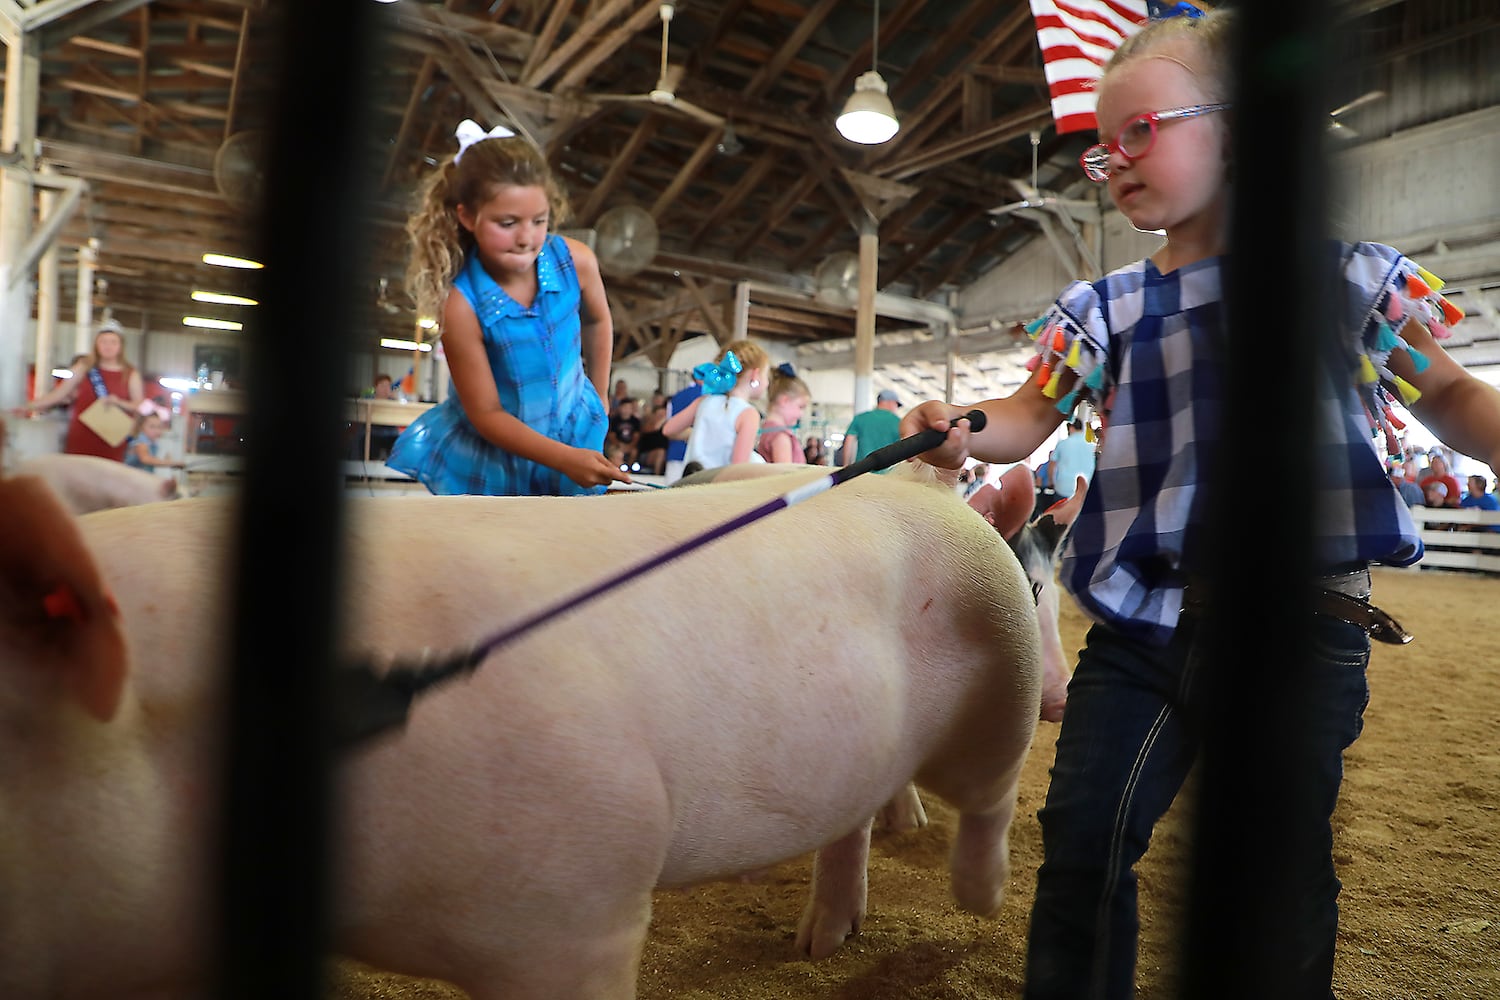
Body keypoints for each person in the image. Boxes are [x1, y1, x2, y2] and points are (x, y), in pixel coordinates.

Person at [898, 8, 1500, 998]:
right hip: (1141, 621)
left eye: (1144, 130)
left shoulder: (1346, 281)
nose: (1117, 158)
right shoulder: (1104, 311)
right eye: (1104, 145)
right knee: (1085, 839)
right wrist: (960, 421)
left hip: (1304, 619)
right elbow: (1021, 416)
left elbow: (1454, 396)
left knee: (1277, 863)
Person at [386, 120, 627, 496]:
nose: (526, 237)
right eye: (508, 223)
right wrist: (563, 458)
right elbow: (487, 414)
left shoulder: (575, 261)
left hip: (572, 434)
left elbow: (598, 320)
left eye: (539, 221)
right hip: (500, 450)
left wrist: (600, 396)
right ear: (467, 217)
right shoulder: (462, 306)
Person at [15, 323, 144, 461]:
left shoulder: (130, 373)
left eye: (113, 342)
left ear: (121, 346)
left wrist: (119, 402)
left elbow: (140, 405)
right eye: (103, 342)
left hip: (111, 436)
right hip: (82, 433)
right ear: (96, 344)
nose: (108, 346)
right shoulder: (83, 367)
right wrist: (28, 407)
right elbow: (59, 394)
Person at [663, 339, 769, 469]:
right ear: (755, 374)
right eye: (766, 376)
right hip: (720, 486)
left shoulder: (703, 401)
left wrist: (699, 434)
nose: (767, 383)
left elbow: (669, 430)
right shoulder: (748, 414)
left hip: (692, 481)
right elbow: (739, 467)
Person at [755, 364, 811, 463]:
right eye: (800, 407)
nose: (801, 414)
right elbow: (786, 476)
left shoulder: (767, 430)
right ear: (784, 401)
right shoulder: (780, 436)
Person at [662, 371, 705, 483]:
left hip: (675, 452)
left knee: (672, 492)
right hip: (699, 456)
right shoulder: (707, 397)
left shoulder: (677, 396)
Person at [842, 388, 902, 467]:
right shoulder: (899, 422)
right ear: (891, 402)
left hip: (862, 469)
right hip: (888, 472)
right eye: (896, 405)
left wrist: (846, 465)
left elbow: (849, 441)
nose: (896, 408)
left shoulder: (860, 418)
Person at [1049, 418, 1095, 498]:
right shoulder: (1091, 446)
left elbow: (1052, 466)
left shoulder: (1062, 444)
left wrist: (1052, 482)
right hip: (1084, 490)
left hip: (1063, 488)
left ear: (1071, 428)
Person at [605, 396, 642, 470]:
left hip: (630, 445)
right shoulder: (614, 420)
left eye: (629, 408)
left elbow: (636, 437)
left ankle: (628, 470)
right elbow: (612, 436)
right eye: (625, 407)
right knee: (615, 452)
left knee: (634, 452)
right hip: (616, 444)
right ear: (620, 408)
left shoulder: (635, 421)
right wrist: (619, 445)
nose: (626, 410)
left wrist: (629, 446)